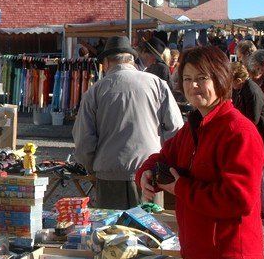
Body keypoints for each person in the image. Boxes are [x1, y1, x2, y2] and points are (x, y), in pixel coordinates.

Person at [136, 46, 264, 259]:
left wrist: (180, 188)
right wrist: (147, 173)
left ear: (220, 80)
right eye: (187, 78)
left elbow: (237, 199)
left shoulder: (238, 131)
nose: (193, 86)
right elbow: (162, 156)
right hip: (198, 250)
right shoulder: (194, 125)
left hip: (228, 253)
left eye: (202, 78)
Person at [72, 36, 182, 210]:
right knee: (150, 226)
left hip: (109, 175)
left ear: (106, 63)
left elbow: (84, 141)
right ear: (132, 60)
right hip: (149, 173)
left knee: (113, 226)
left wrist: (93, 167)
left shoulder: (95, 91)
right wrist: (163, 164)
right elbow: (175, 129)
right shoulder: (156, 84)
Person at [231, 62, 264, 147]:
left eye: (231, 82)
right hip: (257, 131)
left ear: (239, 80)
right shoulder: (241, 88)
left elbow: (253, 118)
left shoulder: (252, 91)